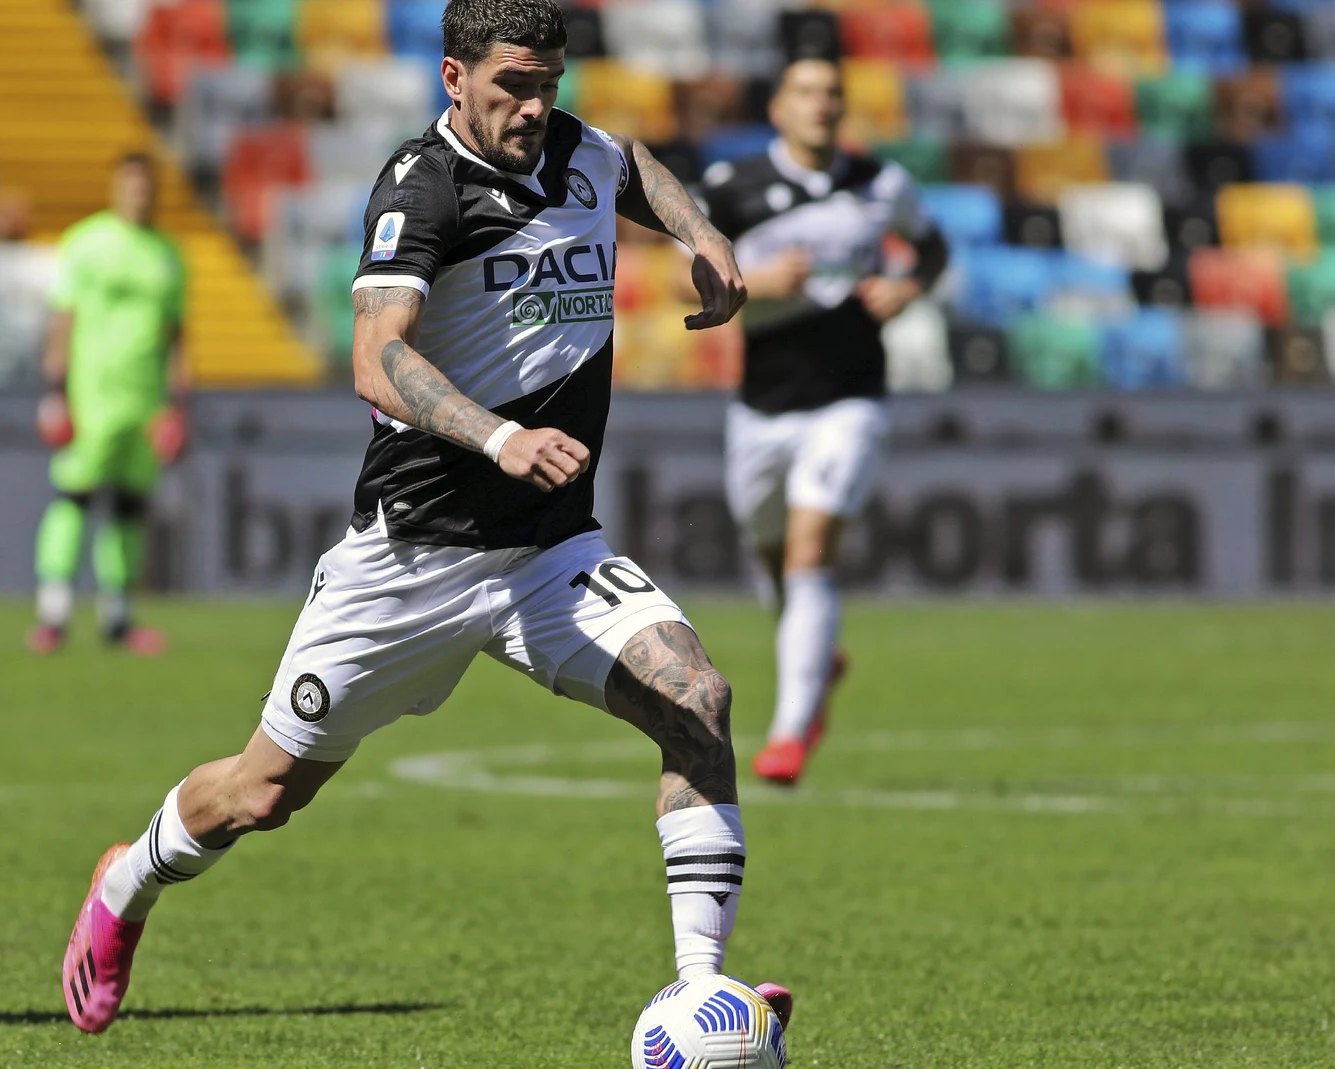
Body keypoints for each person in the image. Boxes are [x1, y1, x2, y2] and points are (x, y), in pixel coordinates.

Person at [60, 0, 797, 1040]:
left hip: (545, 551)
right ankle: (124, 883)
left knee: (697, 698)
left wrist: (702, 232)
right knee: (261, 793)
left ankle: (698, 987)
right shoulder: (425, 187)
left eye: (548, 84)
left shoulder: (576, 147)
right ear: (453, 77)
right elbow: (377, 356)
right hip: (411, 560)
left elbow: (632, 161)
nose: (535, 108)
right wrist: (498, 438)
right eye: (511, 86)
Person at [697, 58, 949, 787]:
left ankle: (789, 731)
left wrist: (907, 286)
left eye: (832, 93)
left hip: (850, 397)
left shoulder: (880, 184)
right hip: (760, 407)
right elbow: (690, 265)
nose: (821, 105)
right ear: (777, 107)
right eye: (806, 92)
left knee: (810, 554)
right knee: (774, 561)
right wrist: (746, 277)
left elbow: (931, 246)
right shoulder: (732, 186)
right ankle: (819, 656)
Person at [29, 152, 186, 656]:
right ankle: (53, 613)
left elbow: (176, 336)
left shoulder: (169, 255)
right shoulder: (86, 243)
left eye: (147, 187)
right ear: (117, 189)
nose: (140, 195)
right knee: (73, 497)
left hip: (144, 404)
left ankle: (117, 619)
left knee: (128, 508)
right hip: (89, 395)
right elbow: (62, 319)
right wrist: (55, 393)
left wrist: (177, 405)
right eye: (132, 186)